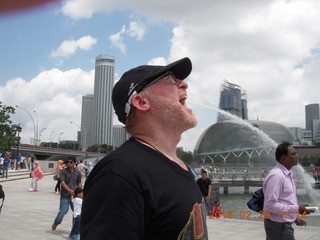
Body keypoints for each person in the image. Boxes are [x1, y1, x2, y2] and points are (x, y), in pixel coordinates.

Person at [81, 57, 208, 239]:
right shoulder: (119, 173)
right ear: (141, 102)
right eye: (171, 79)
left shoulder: (180, 166)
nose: (185, 84)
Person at [263, 142, 314, 240]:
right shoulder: (277, 176)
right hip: (278, 226)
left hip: (282, 224)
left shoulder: (286, 174)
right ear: (284, 158)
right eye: (293, 154)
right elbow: (270, 205)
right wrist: (296, 208)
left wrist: (294, 217)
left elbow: (284, 200)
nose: (297, 156)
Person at [52, 156, 81, 231]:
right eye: (67, 162)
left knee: (76, 213)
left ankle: (74, 232)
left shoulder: (77, 172)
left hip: (74, 196)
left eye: (71, 162)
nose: (69, 163)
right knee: (63, 211)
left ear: (74, 163)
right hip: (65, 195)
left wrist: (80, 192)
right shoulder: (64, 171)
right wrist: (69, 190)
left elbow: (79, 182)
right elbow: (62, 182)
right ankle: (56, 222)